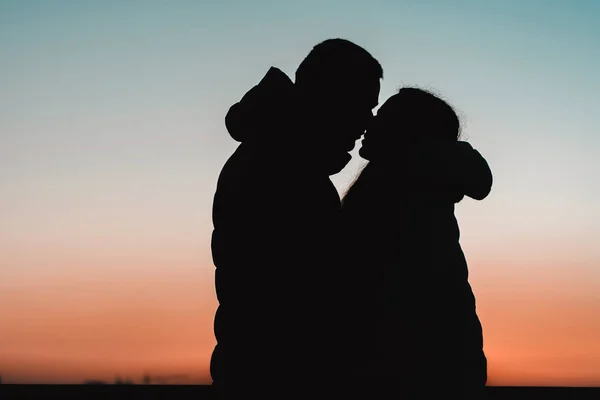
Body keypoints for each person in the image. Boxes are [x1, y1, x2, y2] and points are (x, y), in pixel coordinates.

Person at [210, 38, 382, 398]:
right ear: (331, 95)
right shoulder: (284, 168)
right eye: (363, 105)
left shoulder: (285, 157)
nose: (368, 123)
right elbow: (304, 300)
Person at [341, 87, 492, 398]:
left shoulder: (403, 183)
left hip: (415, 365)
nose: (369, 123)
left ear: (404, 132)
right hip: (422, 360)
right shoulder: (404, 180)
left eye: (382, 118)